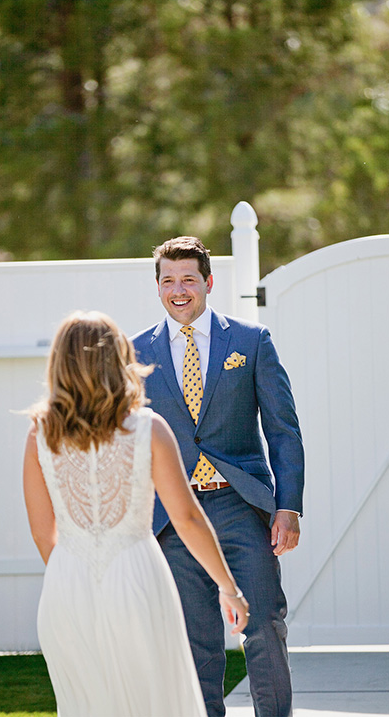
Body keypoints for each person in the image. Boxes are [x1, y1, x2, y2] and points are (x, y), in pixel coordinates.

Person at [23, 311, 249, 717]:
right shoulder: (147, 427)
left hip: (66, 586)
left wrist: (76, 572)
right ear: (119, 359)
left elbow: (44, 534)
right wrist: (228, 587)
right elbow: (188, 518)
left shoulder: (41, 432)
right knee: (155, 703)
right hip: (137, 576)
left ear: (59, 364)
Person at [131, 236, 305, 717]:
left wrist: (287, 507)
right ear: (158, 287)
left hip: (239, 505)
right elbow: (126, 444)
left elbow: (284, 430)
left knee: (265, 623)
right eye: (168, 280)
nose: (178, 290)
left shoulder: (250, 341)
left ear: (208, 282)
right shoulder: (135, 352)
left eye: (188, 279)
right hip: (171, 515)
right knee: (195, 637)